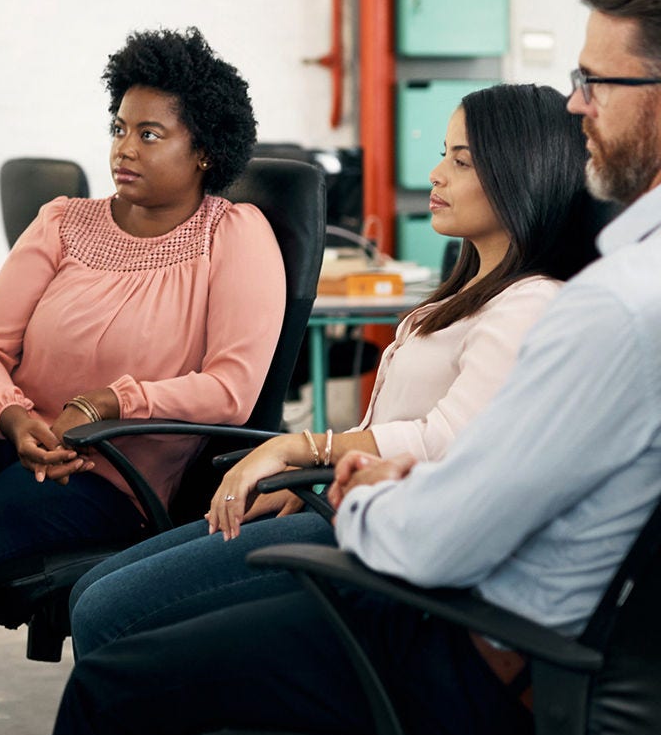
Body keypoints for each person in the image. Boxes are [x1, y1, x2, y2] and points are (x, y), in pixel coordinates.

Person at [52, 0, 661, 735]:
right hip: (493, 606)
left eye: (595, 81)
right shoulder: (608, 291)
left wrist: (357, 487)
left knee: (113, 678)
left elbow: (442, 534)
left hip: (470, 634)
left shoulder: (605, 307)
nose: (575, 104)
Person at [0, 28, 287, 735]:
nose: (123, 149)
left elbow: (229, 388)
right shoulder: (65, 221)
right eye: (118, 129)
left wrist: (109, 402)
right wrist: (15, 418)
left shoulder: (233, 235)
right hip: (3, 423)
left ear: (203, 150)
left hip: (104, 468)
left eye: (149, 133)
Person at [67, 83, 598, 655]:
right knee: (91, 592)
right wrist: (315, 480)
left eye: (461, 161)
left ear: (525, 173)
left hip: (383, 540)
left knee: (108, 611)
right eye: (444, 153)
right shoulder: (466, 295)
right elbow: (399, 425)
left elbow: (447, 441)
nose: (437, 174)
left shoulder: (528, 304)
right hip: (346, 509)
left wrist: (301, 450)